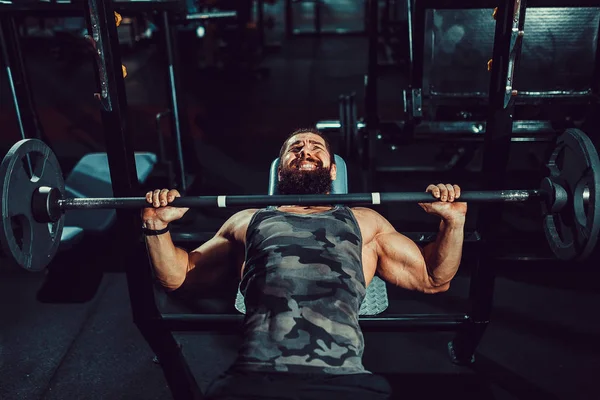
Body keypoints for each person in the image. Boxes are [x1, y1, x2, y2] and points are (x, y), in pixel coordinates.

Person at [141, 128, 467, 400]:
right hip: (255, 378)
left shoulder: (365, 222)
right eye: (295, 148)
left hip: (343, 379)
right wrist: (156, 227)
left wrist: (453, 223)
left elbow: (432, 279)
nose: (305, 151)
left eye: (316, 147)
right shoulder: (247, 220)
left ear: (333, 169)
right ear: (280, 170)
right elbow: (178, 277)